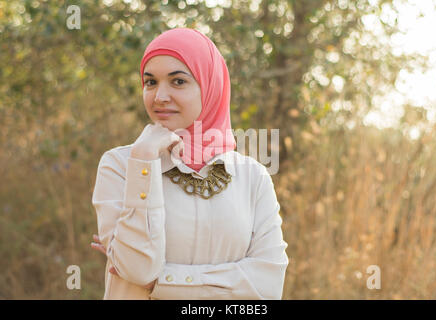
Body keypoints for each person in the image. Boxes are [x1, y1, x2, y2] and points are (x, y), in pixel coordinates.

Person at [90, 27, 288, 300]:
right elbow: (139, 270)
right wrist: (144, 160)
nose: (159, 96)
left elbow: (267, 287)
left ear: (210, 87)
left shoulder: (252, 177)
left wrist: (163, 283)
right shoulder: (121, 165)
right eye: (150, 82)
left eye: (178, 82)